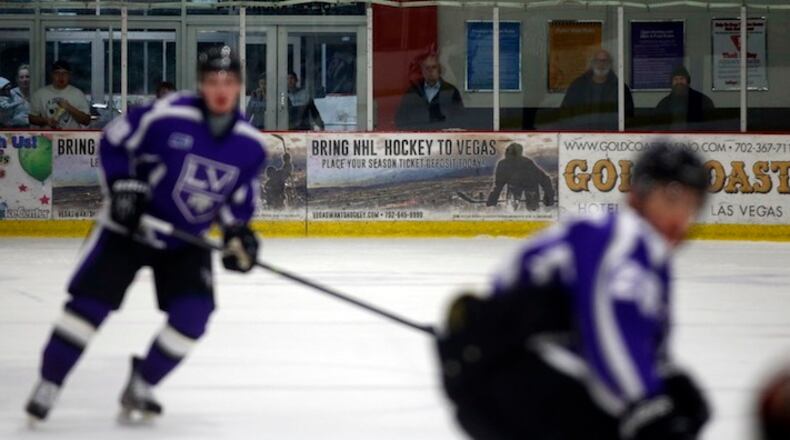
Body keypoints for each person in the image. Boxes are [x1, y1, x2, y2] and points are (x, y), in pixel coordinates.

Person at [24, 47, 268, 422]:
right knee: (87, 309)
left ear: (239, 87)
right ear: (201, 83)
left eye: (229, 81)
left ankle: (142, 382)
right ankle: (50, 382)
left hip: (185, 239)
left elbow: (238, 197)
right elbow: (115, 140)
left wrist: (239, 235)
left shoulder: (250, 144)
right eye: (213, 80)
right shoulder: (167, 115)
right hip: (129, 226)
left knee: (193, 316)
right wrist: (123, 186)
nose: (221, 88)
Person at [438, 142, 711, 439]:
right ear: (638, 194)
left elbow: (632, 333)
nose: (682, 215)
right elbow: (609, 328)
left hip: (495, 379)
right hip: (512, 380)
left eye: (692, 203)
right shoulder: (626, 237)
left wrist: (661, 378)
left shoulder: (629, 242)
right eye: (671, 197)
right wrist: (646, 402)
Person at [560, 49, 634, 131]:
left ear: (611, 64)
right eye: (597, 61)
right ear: (592, 63)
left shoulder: (620, 88)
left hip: (611, 138)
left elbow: (629, 117)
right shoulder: (578, 86)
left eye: (605, 61)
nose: (601, 64)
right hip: (581, 138)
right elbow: (565, 113)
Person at [394, 54, 464, 130]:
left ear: (439, 70)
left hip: (443, 137)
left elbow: (459, 119)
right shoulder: (413, 91)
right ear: (422, 71)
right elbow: (400, 119)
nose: (430, 71)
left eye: (434, 67)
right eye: (427, 68)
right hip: (418, 137)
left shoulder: (451, 91)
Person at [486, 142, 554, 210]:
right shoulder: (505, 164)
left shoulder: (525, 163)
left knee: (526, 206)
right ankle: (529, 210)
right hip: (521, 187)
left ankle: (530, 210)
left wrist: (549, 197)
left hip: (528, 187)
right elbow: (498, 186)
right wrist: (549, 198)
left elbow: (498, 186)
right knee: (514, 207)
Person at [29, 60, 91, 130]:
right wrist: (46, 120)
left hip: (71, 138)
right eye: (57, 73)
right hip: (47, 138)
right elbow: (31, 118)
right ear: (52, 75)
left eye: (65, 73)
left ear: (69, 75)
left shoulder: (78, 94)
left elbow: (86, 121)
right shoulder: (40, 94)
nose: (61, 77)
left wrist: (69, 107)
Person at [654, 66, 715, 131]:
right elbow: (658, 127)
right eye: (676, 79)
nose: (679, 82)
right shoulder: (664, 104)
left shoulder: (702, 101)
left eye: (682, 78)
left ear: (688, 81)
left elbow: (710, 126)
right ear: (671, 83)